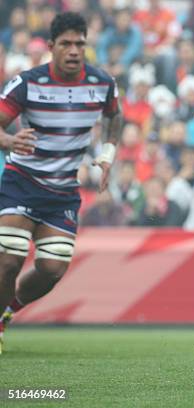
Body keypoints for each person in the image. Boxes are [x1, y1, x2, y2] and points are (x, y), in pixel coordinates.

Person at [0, 12, 121, 353]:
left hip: (63, 192)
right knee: (9, 258)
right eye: (66, 44)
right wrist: (8, 141)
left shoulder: (102, 83)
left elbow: (115, 115)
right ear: (51, 47)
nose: (73, 51)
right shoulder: (26, 83)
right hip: (21, 182)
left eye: (79, 44)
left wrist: (108, 152)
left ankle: (8, 312)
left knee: (52, 268)